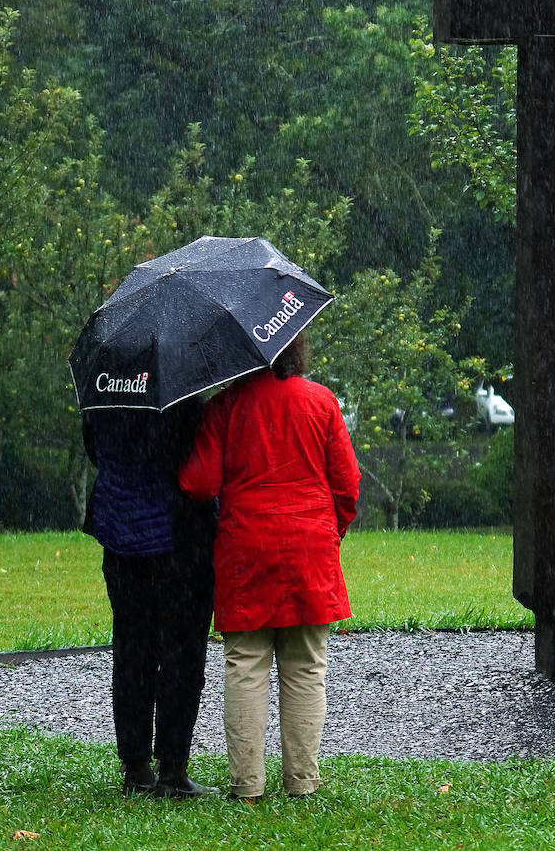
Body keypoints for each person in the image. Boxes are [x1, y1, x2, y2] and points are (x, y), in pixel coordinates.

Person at [178, 333, 360, 801]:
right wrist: (324, 531)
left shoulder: (226, 407)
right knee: (306, 667)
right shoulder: (321, 402)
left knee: (245, 664)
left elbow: (198, 484)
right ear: (297, 351)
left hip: (246, 549)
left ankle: (247, 784)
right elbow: (348, 485)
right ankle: (301, 781)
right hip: (309, 548)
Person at [82, 398, 216, 797]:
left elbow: (96, 452)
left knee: (132, 651)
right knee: (183, 652)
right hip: (179, 540)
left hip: (122, 535)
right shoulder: (185, 401)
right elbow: (199, 471)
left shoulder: (104, 395)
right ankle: (173, 769)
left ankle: (136, 767)